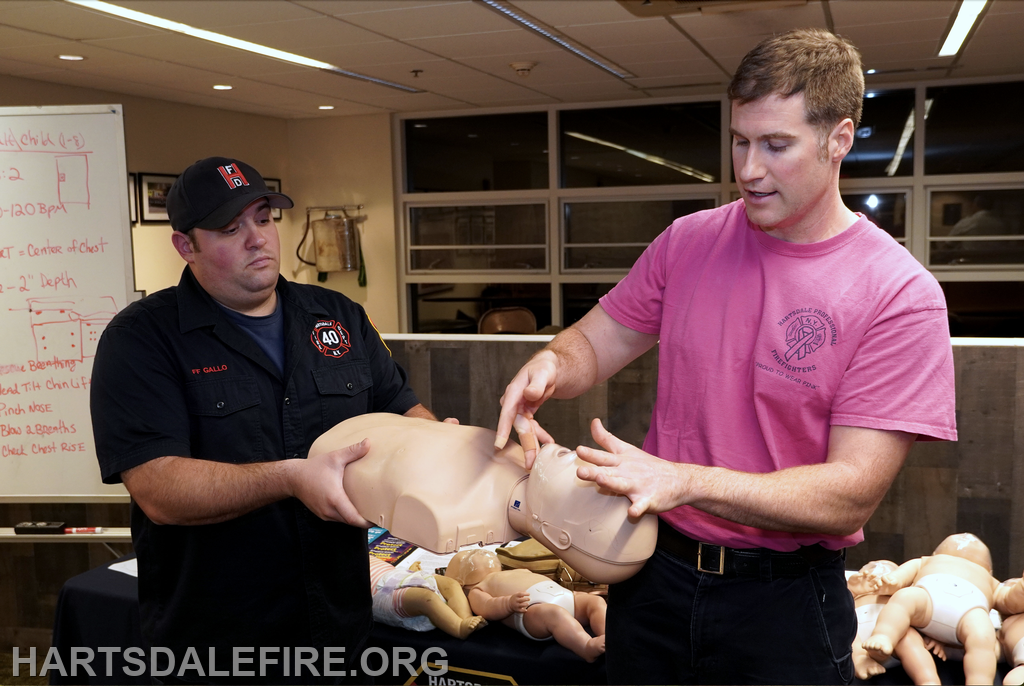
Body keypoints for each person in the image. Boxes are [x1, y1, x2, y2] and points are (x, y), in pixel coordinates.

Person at [495, 28, 957, 685]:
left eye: (776, 145)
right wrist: (551, 364)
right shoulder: (689, 242)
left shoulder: (899, 295)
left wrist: (685, 480)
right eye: (740, 141)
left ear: (839, 140)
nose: (748, 168)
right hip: (652, 580)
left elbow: (850, 495)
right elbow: (594, 343)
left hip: (783, 605)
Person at [90, 157, 438, 684]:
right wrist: (291, 478)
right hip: (217, 644)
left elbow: (404, 412)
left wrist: (446, 446)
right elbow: (158, 488)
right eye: (231, 228)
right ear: (186, 246)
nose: (258, 239)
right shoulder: (140, 340)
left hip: (341, 629)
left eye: (264, 218)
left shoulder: (337, 315)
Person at [862, 533, 1012, 685]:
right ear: (935, 555)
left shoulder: (992, 582)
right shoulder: (926, 562)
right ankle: (884, 635)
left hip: (970, 612)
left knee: (983, 635)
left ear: (989, 571)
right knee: (905, 596)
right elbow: (902, 574)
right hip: (928, 599)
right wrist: (893, 581)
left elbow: (1008, 599)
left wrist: (1019, 590)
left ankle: (980, 680)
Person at [443, 548, 607, 663]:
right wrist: (508, 603)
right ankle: (585, 646)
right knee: (555, 616)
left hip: (563, 595)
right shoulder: (477, 590)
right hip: (532, 610)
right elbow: (486, 607)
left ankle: (607, 634)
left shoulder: (514, 571)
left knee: (595, 602)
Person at [847, 560, 941, 683]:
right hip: (856, 628)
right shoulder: (854, 594)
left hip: (893, 637)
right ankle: (859, 659)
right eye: (871, 568)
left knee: (909, 639)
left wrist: (935, 636)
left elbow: (923, 615)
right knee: (845, 629)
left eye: (889, 571)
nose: (879, 572)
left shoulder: (902, 596)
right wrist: (851, 590)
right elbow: (834, 607)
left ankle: (928, 680)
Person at [367, 555, 487, 639]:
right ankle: (459, 627)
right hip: (382, 592)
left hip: (397, 575)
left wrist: (410, 572)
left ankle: (465, 617)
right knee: (425, 598)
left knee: (451, 584)